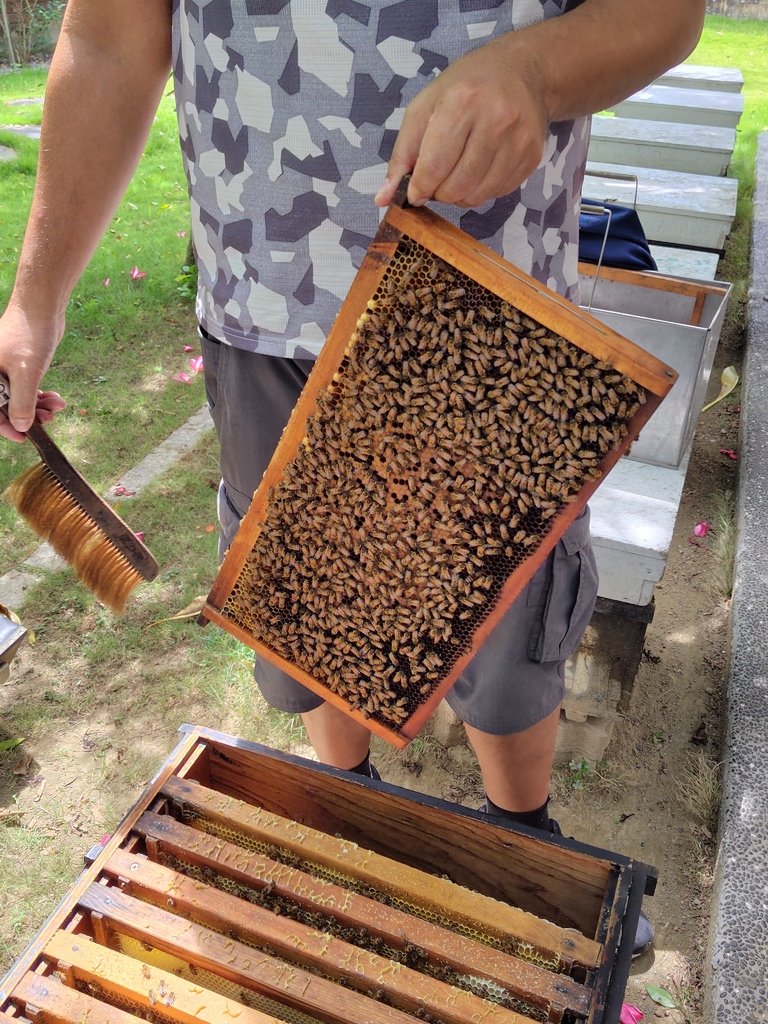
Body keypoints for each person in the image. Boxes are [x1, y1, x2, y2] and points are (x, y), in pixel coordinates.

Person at [0, 0, 705, 958]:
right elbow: (108, 40)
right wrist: (34, 302)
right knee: (313, 602)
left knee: (507, 610)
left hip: (487, 301)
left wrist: (536, 70)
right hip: (259, 308)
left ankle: (524, 841)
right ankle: (349, 807)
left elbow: (661, 12)